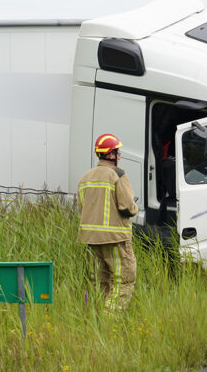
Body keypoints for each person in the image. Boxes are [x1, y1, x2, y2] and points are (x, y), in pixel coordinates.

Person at [78, 133, 139, 310]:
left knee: (100, 284)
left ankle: (96, 319)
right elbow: (128, 207)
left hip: (90, 240)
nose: (119, 156)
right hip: (115, 239)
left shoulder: (84, 178)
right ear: (111, 155)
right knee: (124, 282)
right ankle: (110, 322)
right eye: (118, 153)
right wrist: (134, 207)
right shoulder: (117, 175)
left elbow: (83, 209)